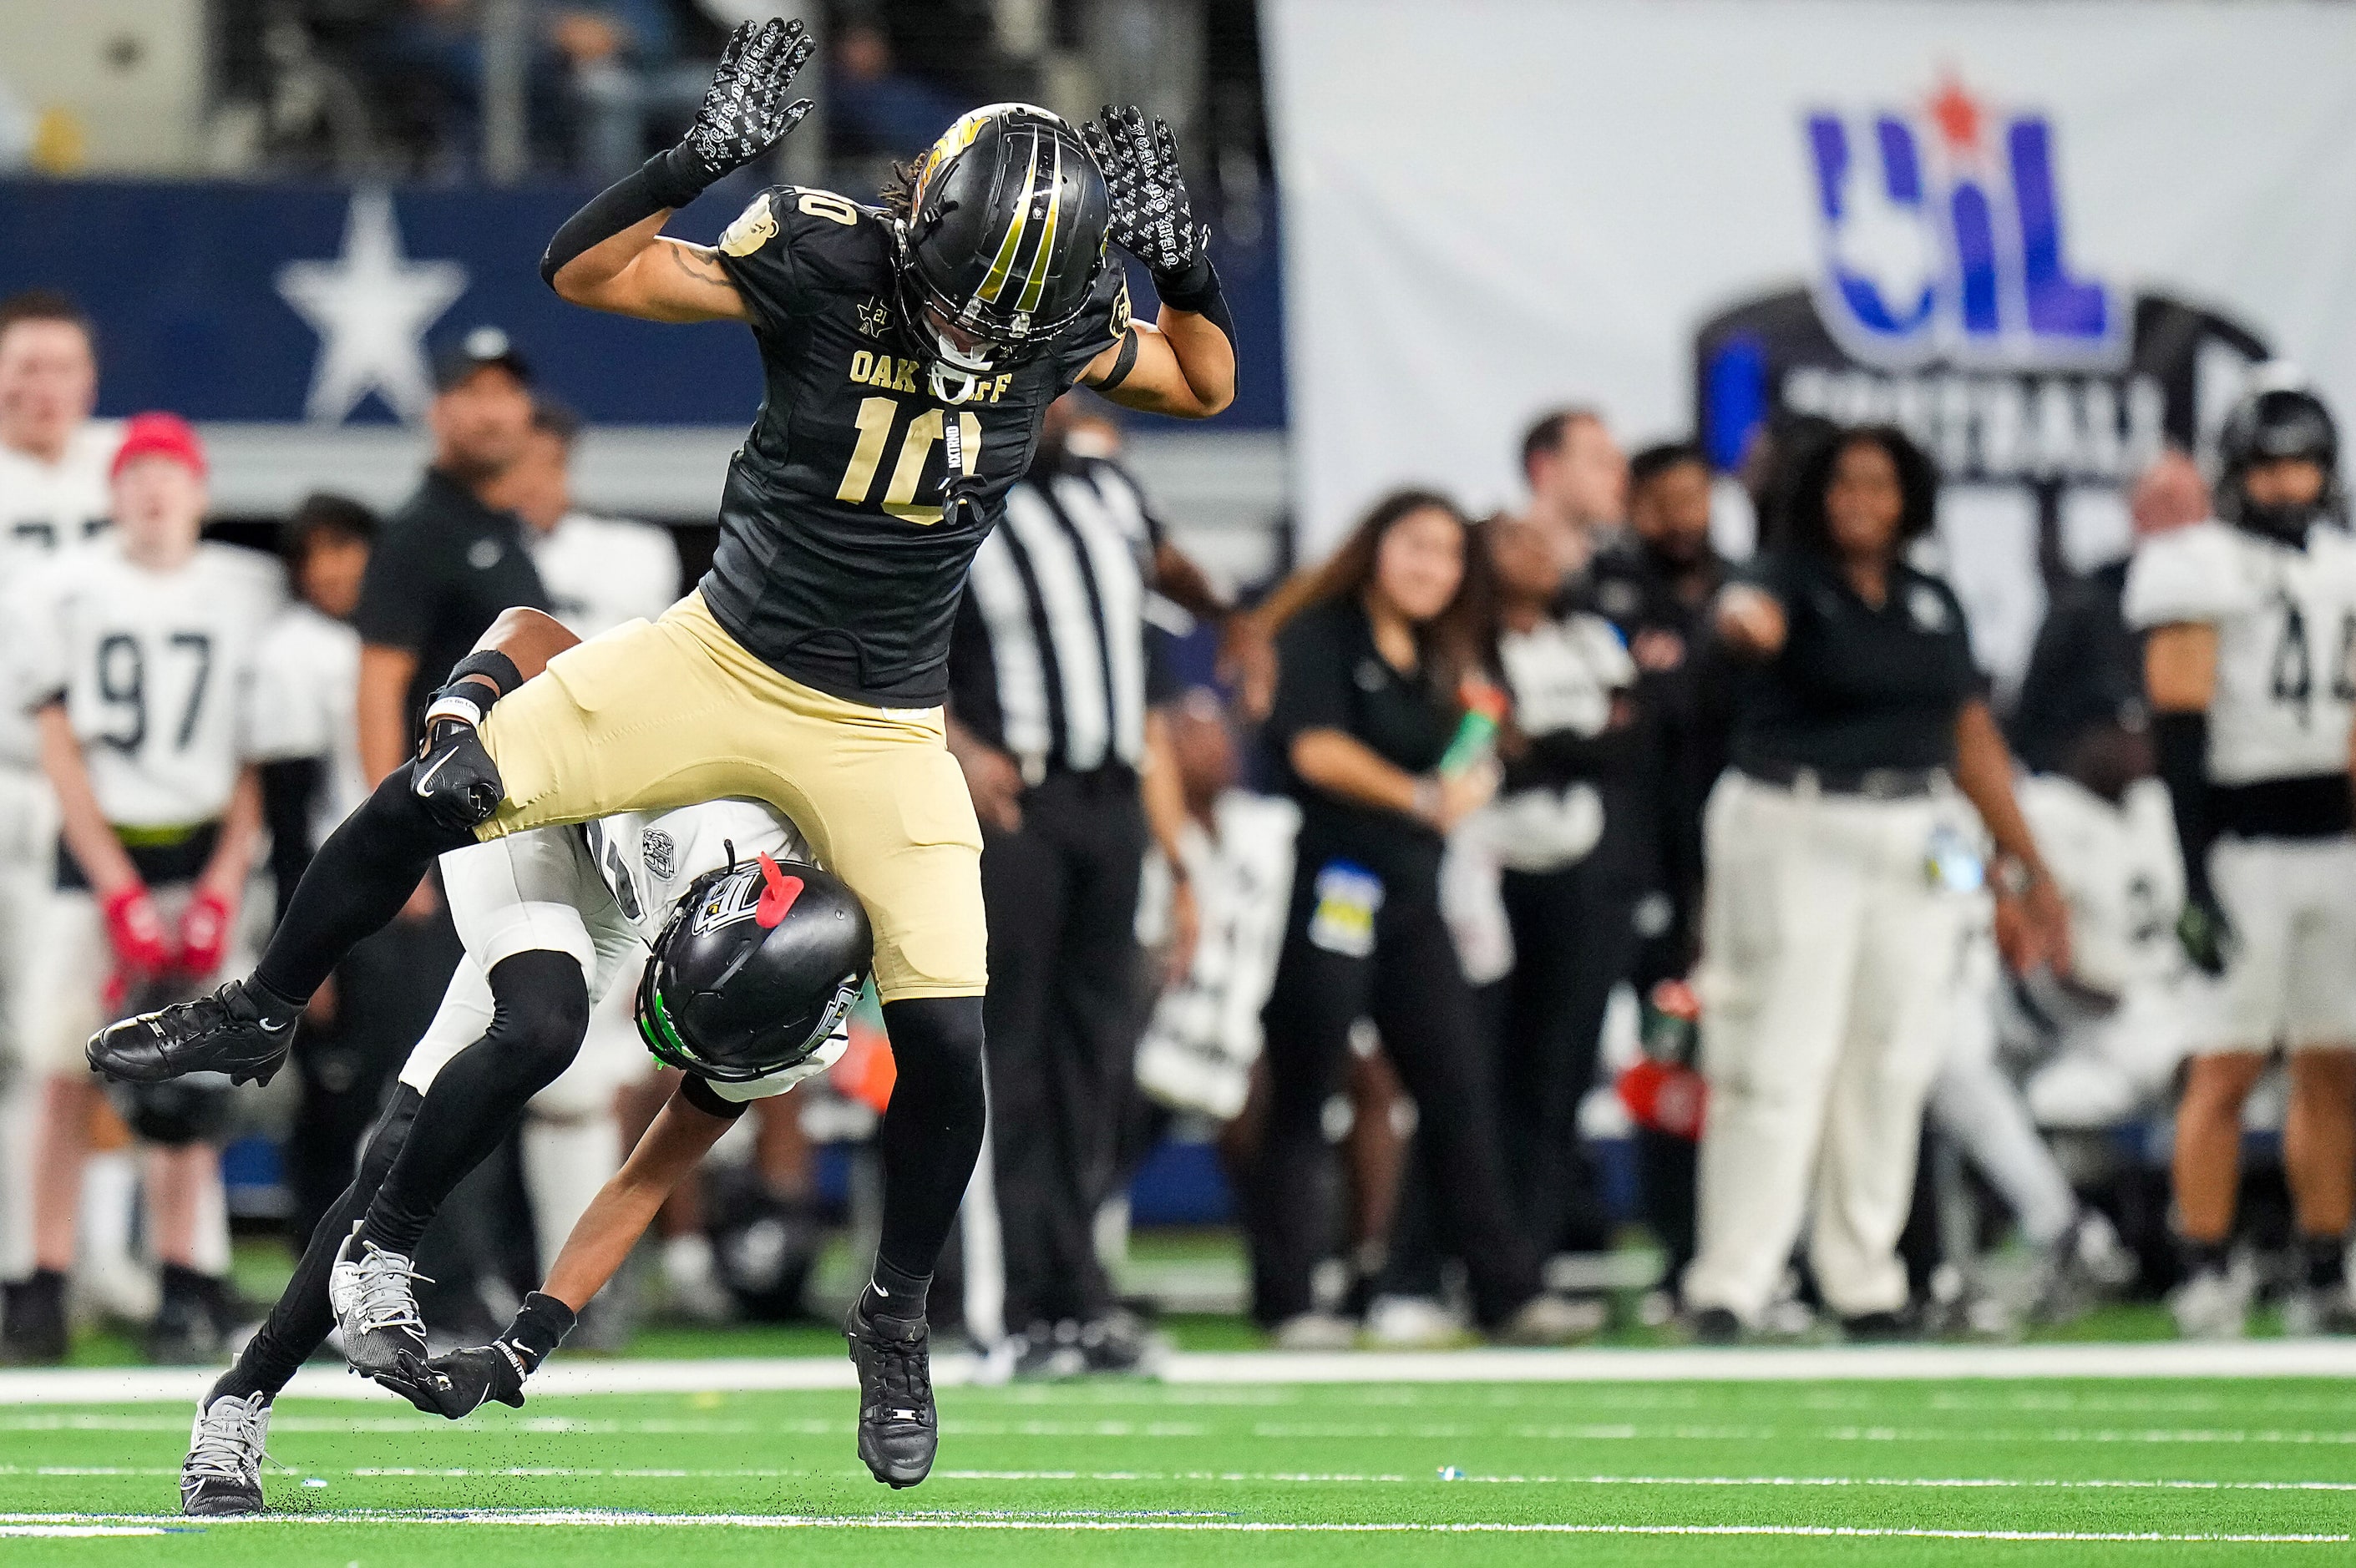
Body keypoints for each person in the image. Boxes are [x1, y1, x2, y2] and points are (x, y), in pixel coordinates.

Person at [99, 22, 1234, 1492]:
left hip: (875, 721)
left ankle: (894, 1315)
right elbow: (592, 274)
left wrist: (1188, 266)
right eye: (959, 307)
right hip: (718, 662)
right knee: (448, 833)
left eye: (1005, 334)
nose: (973, 345)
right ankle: (261, 1006)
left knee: (948, 1034)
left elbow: (1197, 376)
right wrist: (698, 160)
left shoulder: (761, 1009)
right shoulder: (827, 255)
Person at [181, 679, 856, 1512]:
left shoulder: (793, 1021)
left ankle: (239, 1395)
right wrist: (465, 698)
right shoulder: (689, 777)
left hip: (614, 895)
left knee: (398, 1151)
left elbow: (641, 1181)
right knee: (542, 1025)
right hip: (538, 810)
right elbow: (537, 629)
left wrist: (521, 1351)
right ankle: (374, 1252)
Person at [1682, 424, 2068, 1343]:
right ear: (1813, 493)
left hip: (1919, 828)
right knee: (1776, 1055)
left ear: (1911, 499)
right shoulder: (1781, 579)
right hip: (1794, 818)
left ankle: (1864, 1277)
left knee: (1896, 1056)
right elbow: (1738, 618)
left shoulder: (1931, 599)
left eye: (1881, 485)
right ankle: (1733, 1281)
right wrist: (1743, 628)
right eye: (1844, 483)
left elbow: (1967, 737)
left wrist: (2020, 869)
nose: (1862, 502)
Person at [1251, 488, 1600, 1348]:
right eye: (1415, 547)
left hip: (1413, 896)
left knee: (1458, 1085)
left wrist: (1474, 772)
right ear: (1373, 547)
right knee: (1309, 1084)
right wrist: (1418, 795)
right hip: (1332, 885)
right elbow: (1314, 749)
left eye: (1447, 555)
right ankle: (1290, 1296)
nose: (1430, 568)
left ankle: (1504, 1289)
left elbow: (1469, 762)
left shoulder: (1444, 654)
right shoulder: (1319, 633)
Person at [945, 393, 1231, 1373]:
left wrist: (1241, 620)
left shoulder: (1113, 491)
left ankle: (1076, 1295)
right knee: (1009, 1057)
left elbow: (1154, 664)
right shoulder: (947, 487)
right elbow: (872, 641)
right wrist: (956, 742)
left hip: (1112, 803)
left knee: (1094, 1062)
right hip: (1011, 802)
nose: (1061, 393)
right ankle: (1005, 1308)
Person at [7, 416, 280, 1363]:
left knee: (191, 1073)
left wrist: (222, 878)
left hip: (199, 848)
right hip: (96, 853)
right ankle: (39, 1281)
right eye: (138, 474)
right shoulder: (65, 587)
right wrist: (117, 886)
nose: (156, 492)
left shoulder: (246, 592)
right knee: (58, 1075)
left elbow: (260, 752)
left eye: (173, 474)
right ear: (112, 493)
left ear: (200, 492)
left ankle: (182, 1279)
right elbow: (56, 739)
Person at [2125, 372, 2356, 1338]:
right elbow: (2178, 723)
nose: (2287, 484)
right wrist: (2192, 868)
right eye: (2269, 466)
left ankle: (2323, 1260)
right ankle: (2207, 1261)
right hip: (2242, 840)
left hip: (2332, 836)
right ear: (2235, 472)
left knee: (2332, 1064)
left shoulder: (2343, 564)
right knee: (2222, 1063)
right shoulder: (2196, 564)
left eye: (2302, 464)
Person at [1477, 508, 1643, 1257]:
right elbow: (1484, 752)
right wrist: (1571, 749)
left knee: (1556, 1077)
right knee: (1476, 1073)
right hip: (1486, 875)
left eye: (1547, 539)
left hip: (1582, 875)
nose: (1540, 552)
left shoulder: (1587, 639)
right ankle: (1451, 1256)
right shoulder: (1468, 645)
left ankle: (1528, 1255)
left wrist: (1544, 750)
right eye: (1516, 538)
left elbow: (1630, 737)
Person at [0, 291, 117, 1334]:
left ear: (89, 381)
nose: (39, 388)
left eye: (58, 367)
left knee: (86, 1035)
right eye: (21, 365)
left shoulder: (129, 474)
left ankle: (101, 1256)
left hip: (97, 795)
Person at [249, 494, 386, 1254]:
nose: (334, 570)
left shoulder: (400, 632)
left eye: (347, 549)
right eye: (316, 554)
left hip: (412, 898)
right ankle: (317, 1270)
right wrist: (306, 948)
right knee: (333, 1101)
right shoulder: (292, 652)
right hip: (337, 897)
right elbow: (287, 816)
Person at [2009, 449, 2209, 775]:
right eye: (2165, 503)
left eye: (2193, 505)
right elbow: (2030, 719)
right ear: (2135, 512)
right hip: (2097, 800)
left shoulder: (2239, 603)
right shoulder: (2083, 604)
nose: (2181, 519)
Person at [1513, 407, 1628, 574]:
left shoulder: (1623, 571)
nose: (1620, 475)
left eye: (1619, 462)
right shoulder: (1482, 566)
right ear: (1544, 468)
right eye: (1600, 460)